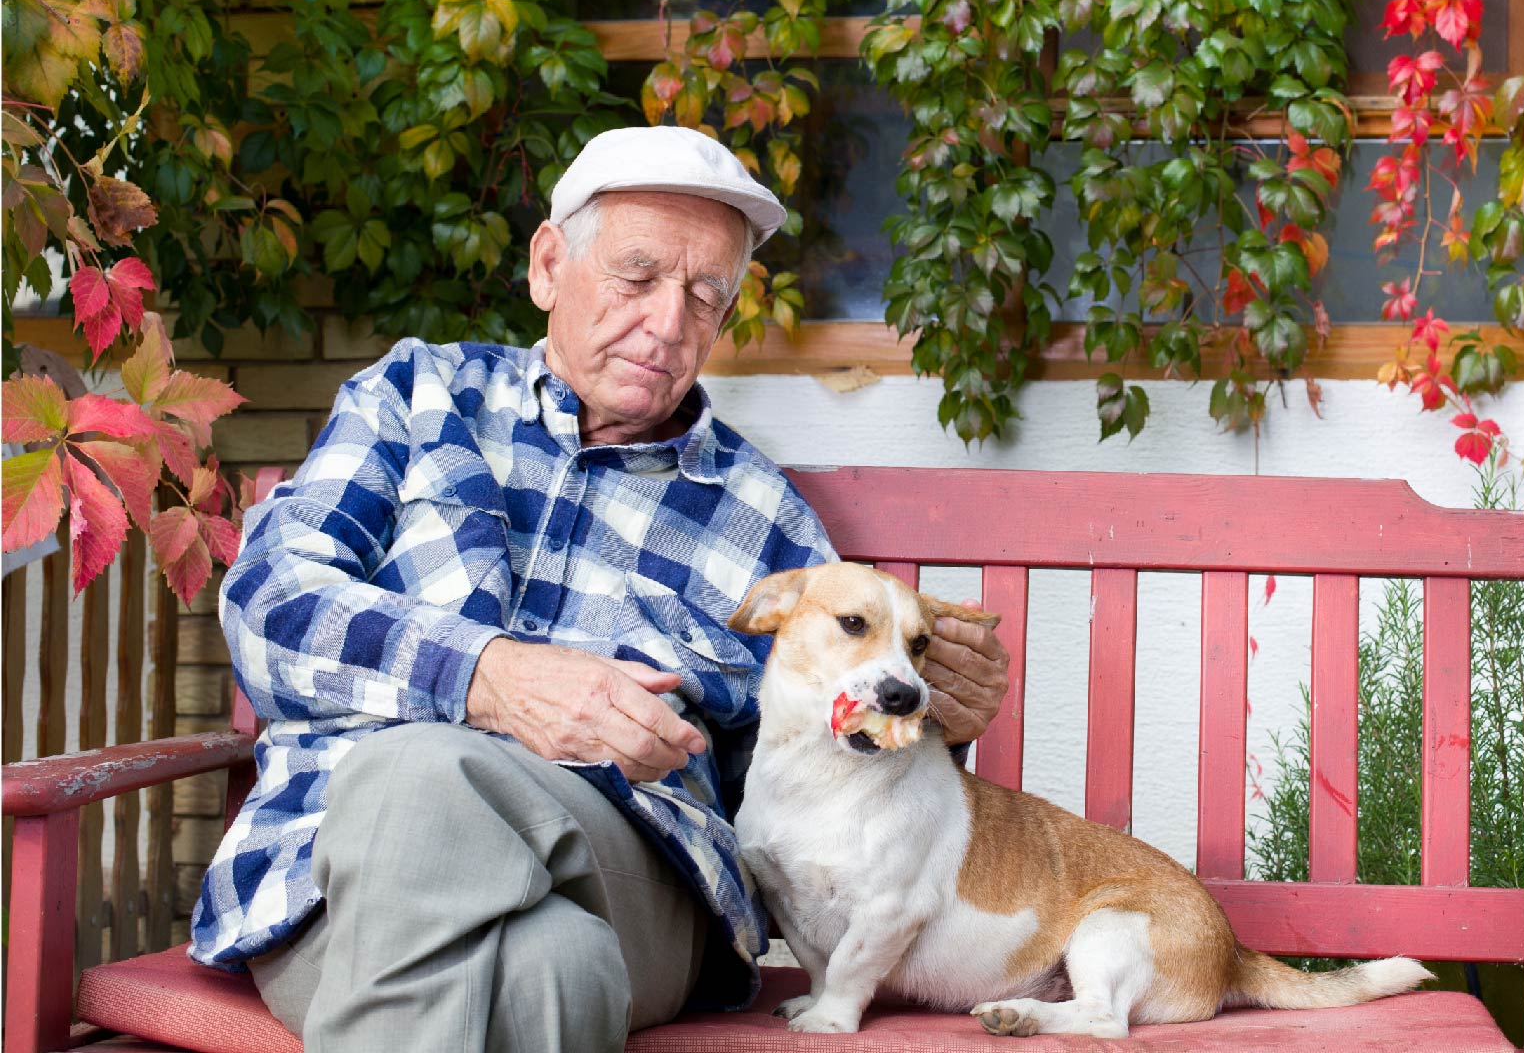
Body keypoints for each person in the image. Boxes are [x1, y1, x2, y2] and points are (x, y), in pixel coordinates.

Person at [192, 126, 1012, 1052]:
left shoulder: (767, 523)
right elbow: (269, 598)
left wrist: (930, 718)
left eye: (705, 297)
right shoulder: (416, 398)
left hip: (638, 873)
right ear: (549, 265)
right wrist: (488, 677)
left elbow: (813, 773)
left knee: (423, 776)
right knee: (552, 967)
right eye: (637, 277)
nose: (668, 325)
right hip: (335, 873)